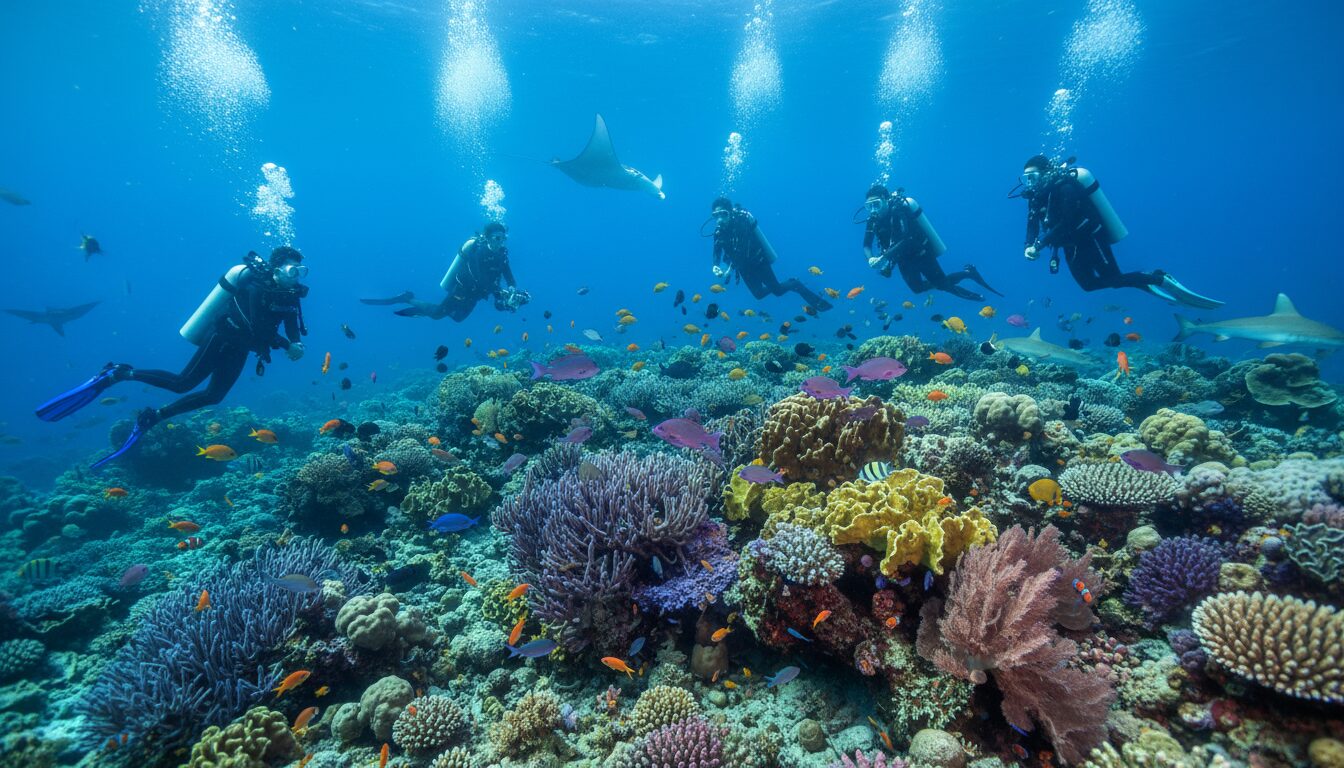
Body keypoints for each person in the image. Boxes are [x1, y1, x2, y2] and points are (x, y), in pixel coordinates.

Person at [36, 247, 310, 468]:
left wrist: (296, 342)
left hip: (241, 348)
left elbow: (290, 321)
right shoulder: (255, 286)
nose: (297, 276)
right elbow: (258, 327)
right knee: (182, 383)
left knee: (214, 396)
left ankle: (154, 416)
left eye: (301, 271)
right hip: (222, 338)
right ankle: (119, 373)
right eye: (292, 270)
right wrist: (287, 345)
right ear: (276, 269)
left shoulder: (289, 294)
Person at [1018, 155, 1222, 308]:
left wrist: (1040, 244)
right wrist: (1028, 244)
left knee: (1114, 279)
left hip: (1090, 238)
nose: (1030, 183)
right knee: (1088, 285)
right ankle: (1137, 280)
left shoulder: (1066, 188)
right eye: (1027, 179)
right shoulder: (1036, 197)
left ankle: (1158, 278)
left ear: (1045, 172)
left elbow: (1067, 222)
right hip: (1069, 245)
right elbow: (1032, 223)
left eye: (1033, 177)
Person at [362, 222, 530, 320]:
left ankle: (429, 310)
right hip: (462, 290)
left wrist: (512, 290)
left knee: (458, 318)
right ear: (488, 238)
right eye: (497, 238)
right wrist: (498, 291)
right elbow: (478, 277)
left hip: (477, 294)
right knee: (437, 315)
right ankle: (407, 298)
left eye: (503, 238)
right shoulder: (478, 252)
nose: (500, 242)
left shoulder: (502, 254)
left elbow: (508, 275)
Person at [862, 184, 1001, 302]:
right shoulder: (873, 221)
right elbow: (866, 245)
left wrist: (885, 257)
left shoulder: (898, 210)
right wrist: (871, 259)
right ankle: (964, 275)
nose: (873, 209)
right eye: (869, 206)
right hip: (902, 259)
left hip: (921, 253)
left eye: (876, 204)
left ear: (885, 200)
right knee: (917, 289)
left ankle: (970, 277)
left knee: (943, 285)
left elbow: (905, 238)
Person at [709, 197, 832, 311]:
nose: (719, 219)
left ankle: (795, 284)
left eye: (723, 214)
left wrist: (730, 269)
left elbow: (742, 248)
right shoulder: (719, 231)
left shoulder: (742, 223)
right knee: (758, 294)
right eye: (716, 215)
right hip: (743, 268)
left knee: (778, 291)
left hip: (758, 261)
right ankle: (784, 285)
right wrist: (715, 265)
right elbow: (717, 249)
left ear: (730, 212)